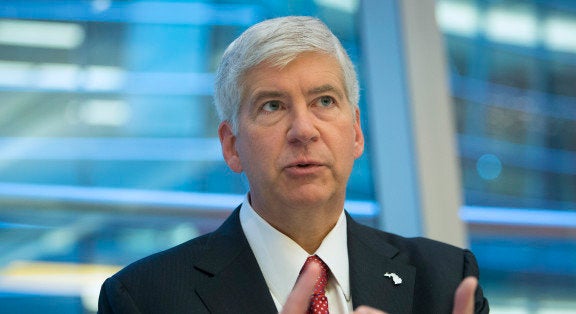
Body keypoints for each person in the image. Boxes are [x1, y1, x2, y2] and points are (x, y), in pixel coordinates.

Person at [98, 16, 489, 314]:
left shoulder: (445, 280)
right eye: (272, 106)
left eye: (324, 101)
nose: (304, 130)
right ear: (232, 146)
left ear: (355, 132)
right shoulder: (144, 298)